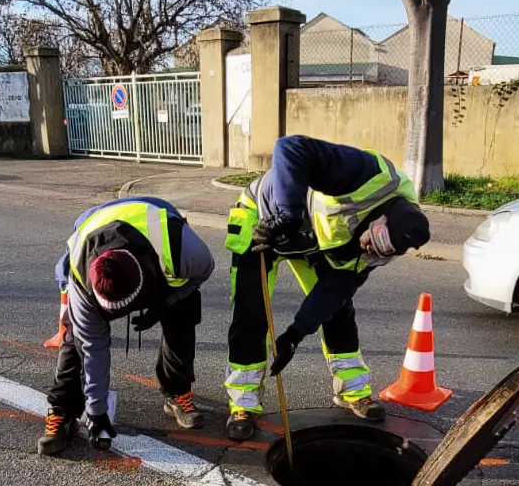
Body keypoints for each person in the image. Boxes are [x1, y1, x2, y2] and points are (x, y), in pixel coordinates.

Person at [224, 135, 430, 441]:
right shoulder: (366, 174)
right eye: (374, 240)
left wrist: (293, 336)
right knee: (252, 314)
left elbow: (331, 294)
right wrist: (288, 215)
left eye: (379, 252)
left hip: (313, 240)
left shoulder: (374, 251)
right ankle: (243, 403)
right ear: (380, 217)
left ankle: (353, 390)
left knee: (338, 313)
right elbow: (289, 147)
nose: (368, 250)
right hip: (265, 221)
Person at [37, 196, 214, 456]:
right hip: (93, 223)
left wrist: (166, 303)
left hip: (153, 223)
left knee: (184, 311)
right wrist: (97, 414)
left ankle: (177, 392)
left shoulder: (181, 249)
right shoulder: (80, 279)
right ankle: (62, 411)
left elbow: (204, 271)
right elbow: (93, 349)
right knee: (74, 339)